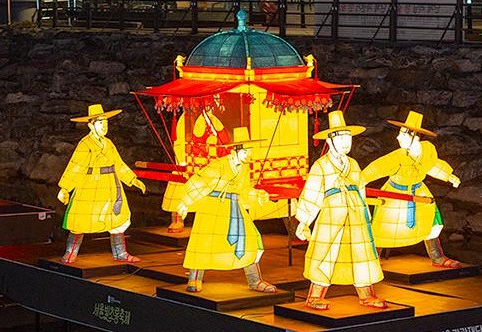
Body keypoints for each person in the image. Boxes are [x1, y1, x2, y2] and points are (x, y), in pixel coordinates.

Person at [294, 110, 385, 310]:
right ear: (330, 140)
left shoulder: (353, 164)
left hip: (356, 216)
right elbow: (312, 193)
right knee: (325, 252)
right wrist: (304, 221)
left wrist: (366, 215)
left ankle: (366, 294)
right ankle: (314, 296)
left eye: (348, 137)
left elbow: (360, 190)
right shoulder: (321, 166)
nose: (346, 142)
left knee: (360, 253)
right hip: (331, 216)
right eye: (341, 138)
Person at [175, 127, 276, 293]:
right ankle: (194, 278)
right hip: (213, 206)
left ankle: (255, 280)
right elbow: (199, 182)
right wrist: (185, 202)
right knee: (203, 242)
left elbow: (243, 190)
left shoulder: (244, 168)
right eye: (245, 151)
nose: (248, 155)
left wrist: (257, 195)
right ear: (235, 150)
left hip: (234, 208)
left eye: (250, 151)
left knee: (251, 240)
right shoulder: (219, 165)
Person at [360, 110, 462, 267]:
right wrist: (360, 180)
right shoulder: (397, 157)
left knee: (432, 222)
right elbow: (377, 168)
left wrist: (449, 176)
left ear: (414, 136)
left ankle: (437, 256)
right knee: (384, 227)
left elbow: (433, 166)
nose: (398, 137)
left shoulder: (426, 152)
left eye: (402, 134)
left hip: (419, 192)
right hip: (395, 194)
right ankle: (374, 257)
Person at [57, 103, 147, 264]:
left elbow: (118, 164)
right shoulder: (85, 144)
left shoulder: (108, 143)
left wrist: (132, 180)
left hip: (110, 185)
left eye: (106, 122)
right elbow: (76, 166)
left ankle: (120, 253)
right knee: (80, 219)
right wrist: (65, 188)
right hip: (89, 185)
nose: (104, 126)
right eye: (100, 122)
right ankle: (70, 252)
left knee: (117, 219)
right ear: (91, 125)